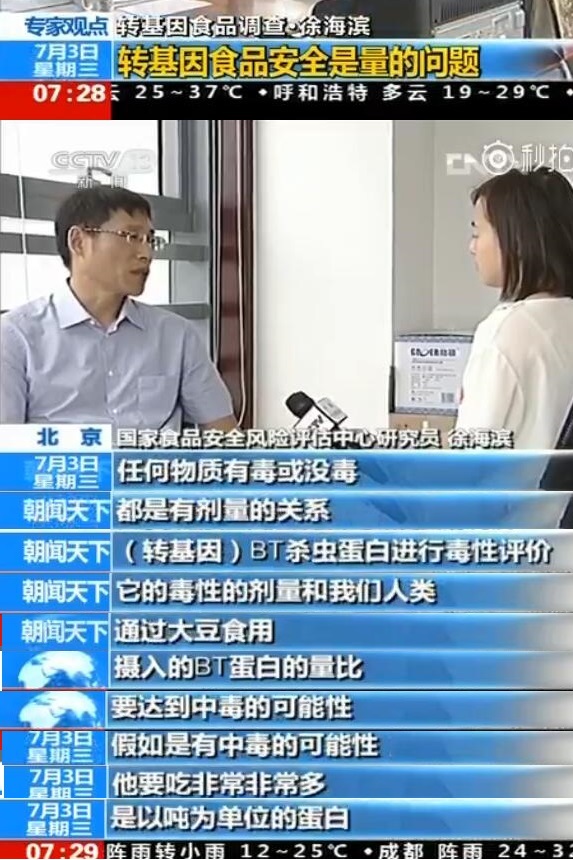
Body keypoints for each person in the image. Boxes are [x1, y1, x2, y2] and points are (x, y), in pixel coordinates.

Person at [0, 185, 237, 432]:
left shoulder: (177, 335)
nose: (146, 254)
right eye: (131, 237)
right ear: (78, 242)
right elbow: (6, 445)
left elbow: (223, 433)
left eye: (150, 240)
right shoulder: (16, 336)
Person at [456, 166, 573, 449]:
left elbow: (469, 464)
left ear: (517, 241)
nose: (472, 247)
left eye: (477, 232)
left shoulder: (504, 332)